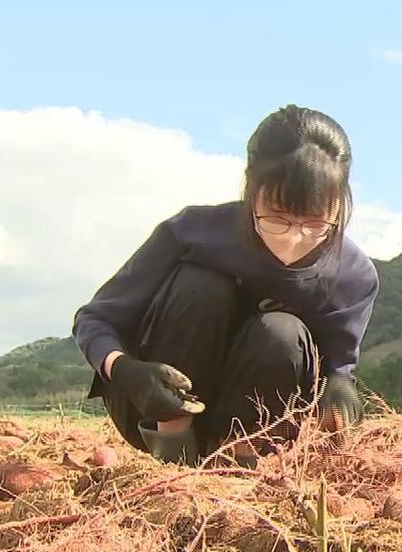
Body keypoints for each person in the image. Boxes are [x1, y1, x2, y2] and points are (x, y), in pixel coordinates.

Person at [72, 105, 379, 466]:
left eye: (315, 224)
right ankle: (173, 453)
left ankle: (239, 456)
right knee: (202, 285)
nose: (293, 240)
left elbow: (339, 365)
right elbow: (94, 320)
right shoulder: (190, 233)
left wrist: (340, 385)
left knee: (282, 331)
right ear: (251, 188)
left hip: (264, 424)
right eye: (277, 218)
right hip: (150, 409)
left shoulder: (352, 275)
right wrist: (125, 369)